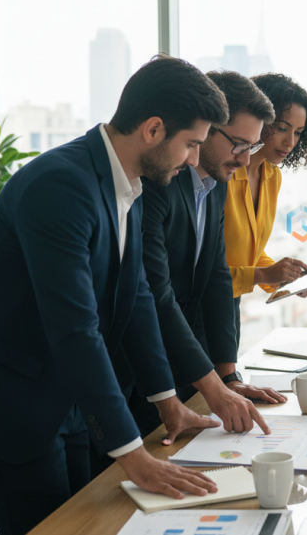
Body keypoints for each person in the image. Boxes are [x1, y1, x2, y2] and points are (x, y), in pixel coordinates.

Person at [0, 56, 224, 535]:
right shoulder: (61, 185)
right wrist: (135, 455)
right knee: (52, 527)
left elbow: (137, 294)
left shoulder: (128, 184)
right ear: (154, 129)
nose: (194, 161)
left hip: (61, 389)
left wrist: (167, 400)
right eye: (191, 145)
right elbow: (75, 327)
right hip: (2, 393)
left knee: (93, 520)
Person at [122, 69, 287, 444]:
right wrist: (213, 388)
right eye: (239, 145)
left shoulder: (214, 185)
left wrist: (228, 377)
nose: (245, 160)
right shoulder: (159, 181)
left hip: (183, 362)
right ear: (209, 129)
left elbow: (215, 277)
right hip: (138, 365)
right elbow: (156, 292)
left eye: (251, 148)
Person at [225, 73, 307, 338]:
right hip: (200, 304)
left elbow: (249, 250)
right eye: (282, 128)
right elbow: (203, 267)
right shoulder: (222, 175)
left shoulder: (272, 176)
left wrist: (283, 277)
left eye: (298, 133)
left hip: (229, 306)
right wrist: (263, 275)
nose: (290, 142)